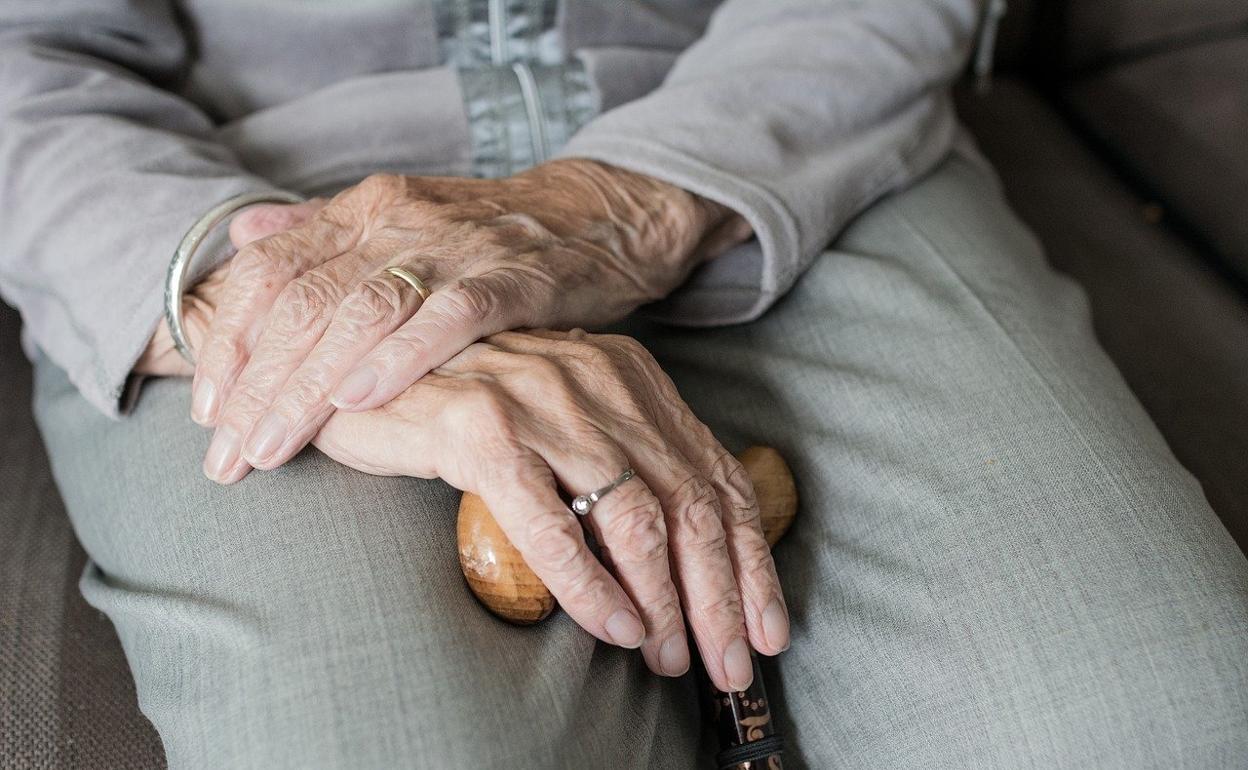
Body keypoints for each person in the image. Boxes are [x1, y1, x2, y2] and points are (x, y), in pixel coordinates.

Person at [3, 0, 1247, 767]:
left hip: (794, 144)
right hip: (246, 212)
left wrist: (620, 202)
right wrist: (273, 306)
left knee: (1158, 724)